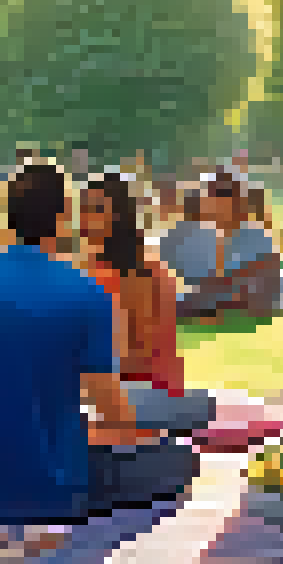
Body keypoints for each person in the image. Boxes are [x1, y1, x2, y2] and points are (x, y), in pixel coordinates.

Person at [0, 161, 198, 528]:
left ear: (8, 216)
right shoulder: (86, 292)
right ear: (62, 217)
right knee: (178, 459)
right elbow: (112, 412)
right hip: (50, 492)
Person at [78, 172, 214, 433]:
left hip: (147, 393)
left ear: (119, 216)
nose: (84, 218)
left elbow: (137, 359)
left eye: (95, 209)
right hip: (119, 392)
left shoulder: (141, 272)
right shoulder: (90, 268)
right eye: (82, 208)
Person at [160, 171, 280, 323]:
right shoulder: (185, 236)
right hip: (201, 301)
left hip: (236, 300)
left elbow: (267, 280)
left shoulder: (255, 237)